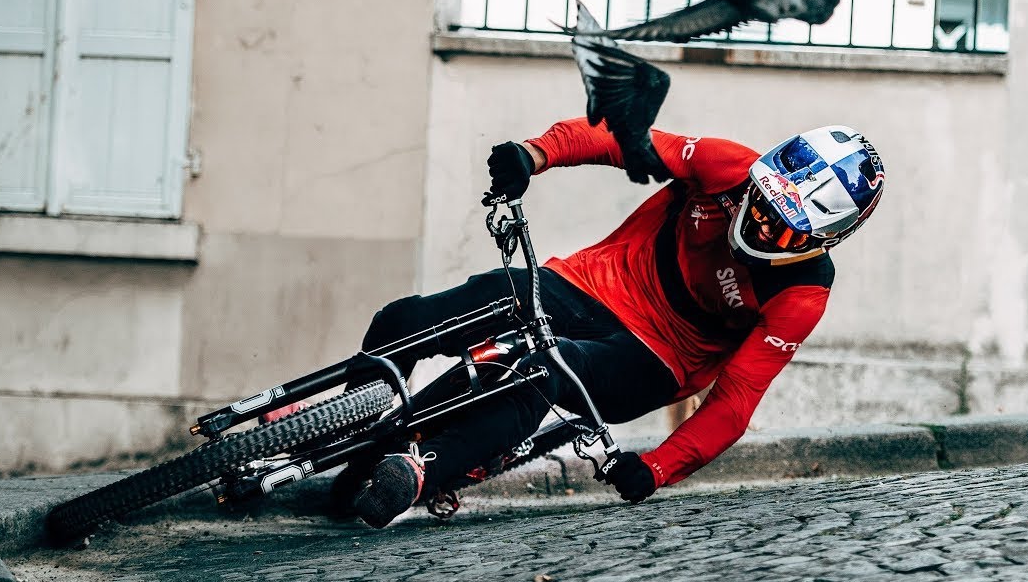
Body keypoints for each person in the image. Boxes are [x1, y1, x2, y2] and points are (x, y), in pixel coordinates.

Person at [346, 117, 886, 528]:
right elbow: (618, 138)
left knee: (540, 371)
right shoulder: (728, 166)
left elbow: (735, 402)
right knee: (409, 318)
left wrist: (656, 468)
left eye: (786, 232)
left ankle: (420, 471)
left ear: (826, 238)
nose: (763, 227)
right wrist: (535, 154)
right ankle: (345, 425)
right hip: (591, 281)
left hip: (657, 358)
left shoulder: (802, 295)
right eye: (763, 205)